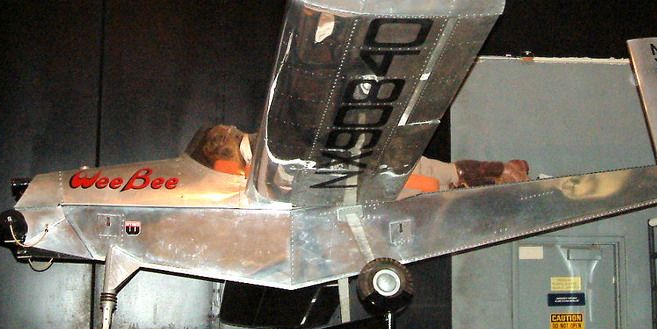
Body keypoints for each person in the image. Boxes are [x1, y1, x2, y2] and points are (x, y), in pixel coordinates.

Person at [196, 125, 530, 197]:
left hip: (371, 181)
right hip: (371, 162)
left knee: (445, 184)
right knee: (446, 175)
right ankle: (502, 173)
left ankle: (504, 178)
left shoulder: (261, 171)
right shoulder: (270, 138)